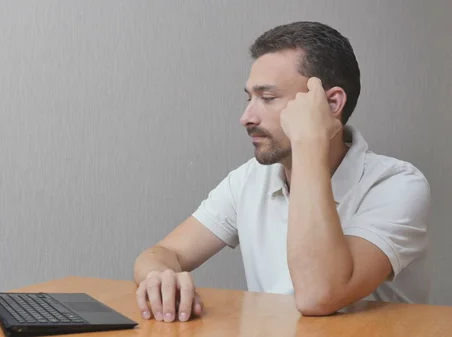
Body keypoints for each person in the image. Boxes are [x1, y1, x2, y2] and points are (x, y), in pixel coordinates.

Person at [132, 21, 431, 322]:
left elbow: (318, 296)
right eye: (250, 97)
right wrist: (160, 276)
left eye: (268, 98)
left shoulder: (397, 185)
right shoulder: (249, 179)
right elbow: (162, 252)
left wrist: (309, 143)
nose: (246, 117)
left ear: (331, 103)